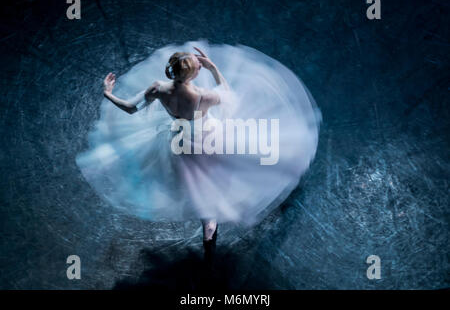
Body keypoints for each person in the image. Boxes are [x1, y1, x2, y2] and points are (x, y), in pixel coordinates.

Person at [76, 40, 321, 265]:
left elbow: (130, 108)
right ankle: (211, 242)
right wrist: (214, 68)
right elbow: (229, 96)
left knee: (200, 191)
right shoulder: (204, 96)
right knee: (246, 161)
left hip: (181, 145)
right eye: (197, 67)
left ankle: (208, 242)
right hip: (209, 141)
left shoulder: (158, 88)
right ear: (193, 73)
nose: (200, 68)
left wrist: (108, 93)